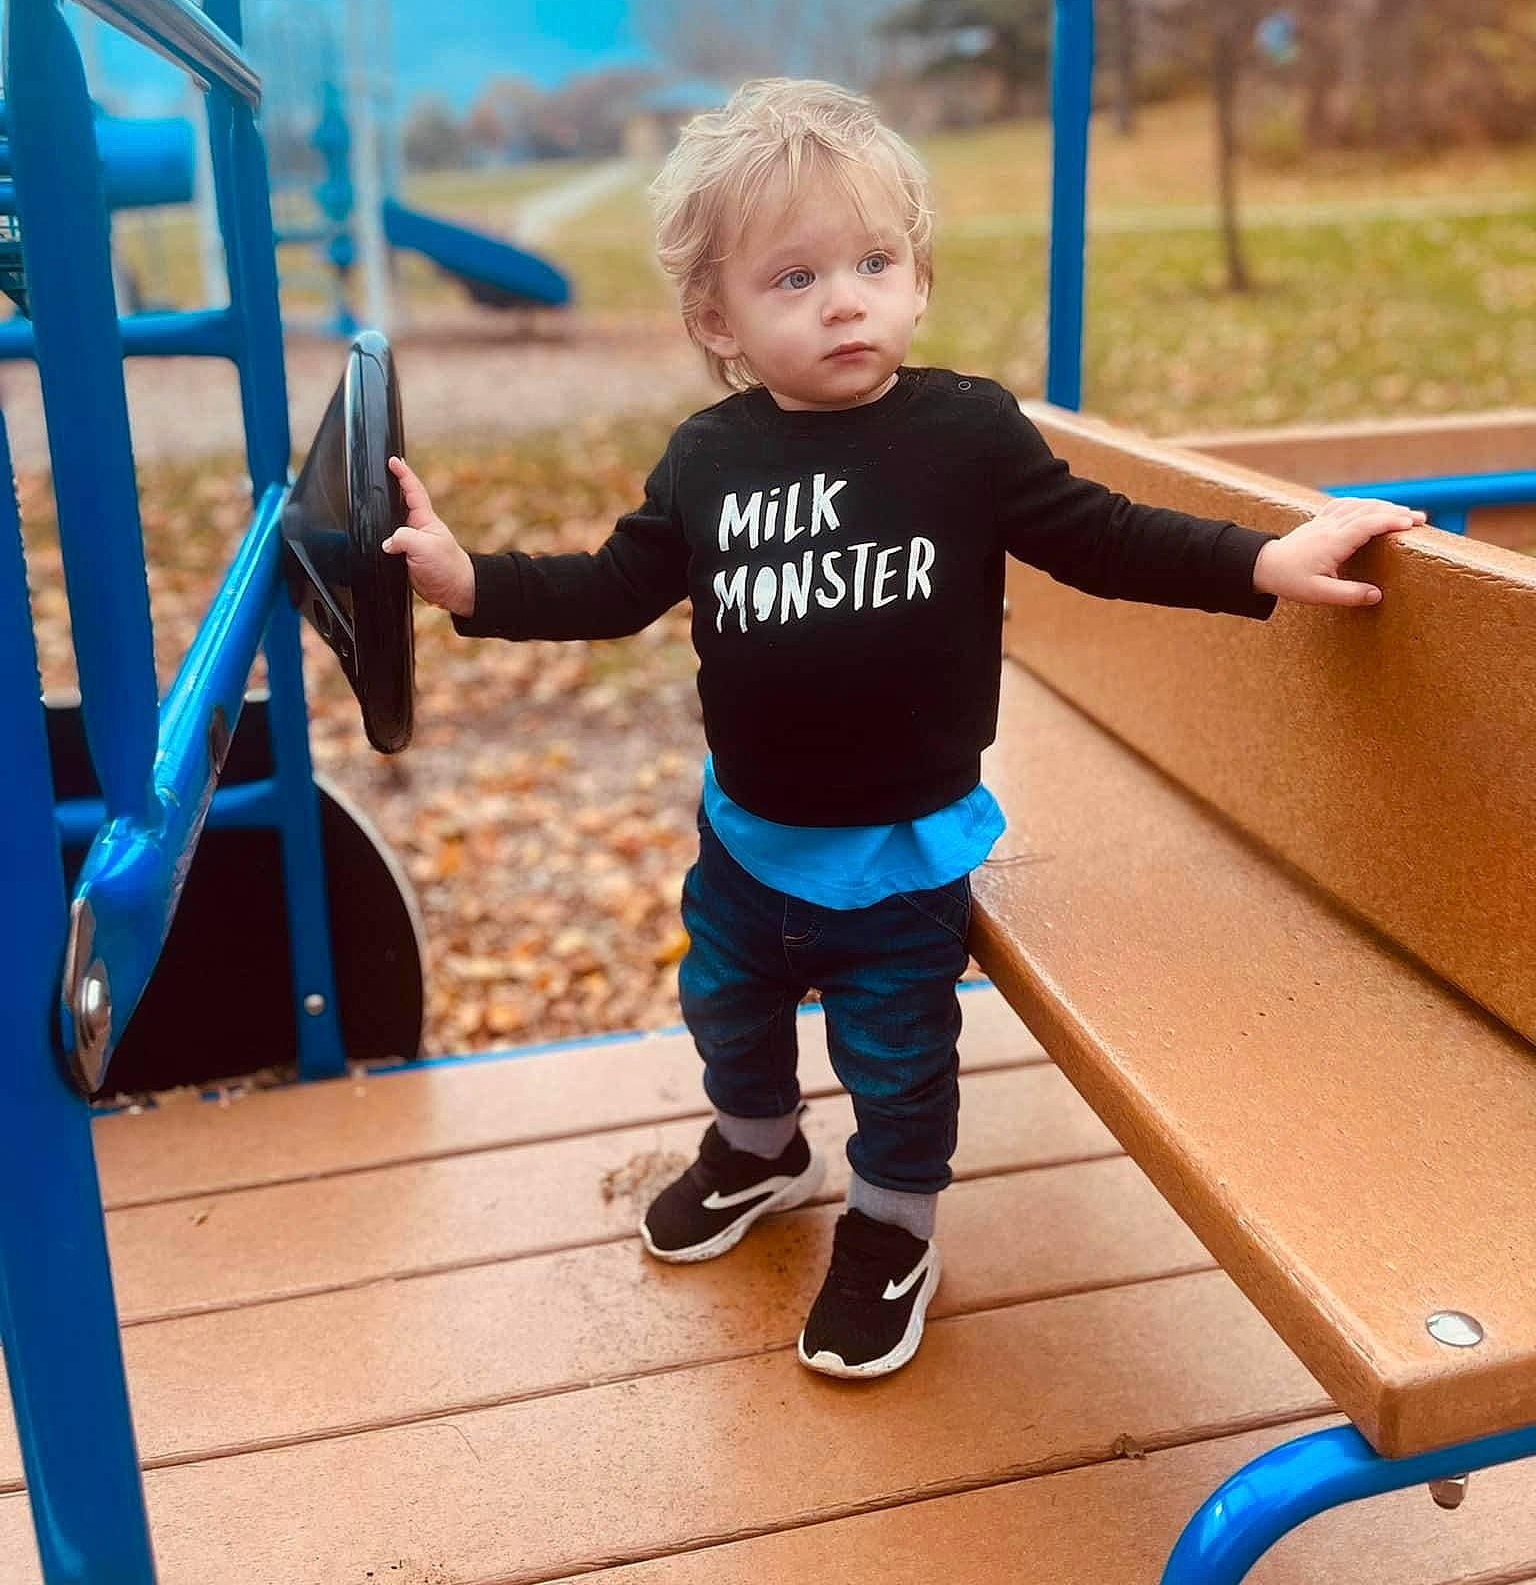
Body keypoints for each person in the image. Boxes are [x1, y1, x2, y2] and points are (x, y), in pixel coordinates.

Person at [382, 78, 1426, 1382]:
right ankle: (760, 1150)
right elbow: (611, 585)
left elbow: (1100, 539)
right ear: (718, 319)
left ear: (918, 282)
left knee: (897, 1060)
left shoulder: (962, 435)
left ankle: (891, 1228)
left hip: (900, 858)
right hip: (747, 842)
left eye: (876, 262)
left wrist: (1264, 560)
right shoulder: (709, 459)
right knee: (727, 1012)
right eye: (797, 276)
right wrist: (471, 583)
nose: (845, 300)